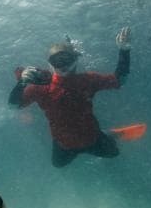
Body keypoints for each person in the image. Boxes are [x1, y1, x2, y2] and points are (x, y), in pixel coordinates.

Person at [9, 27, 131, 167]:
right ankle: (106, 135)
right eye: (57, 61)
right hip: (70, 144)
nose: (63, 66)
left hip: (88, 139)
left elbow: (119, 81)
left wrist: (125, 49)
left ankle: (106, 135)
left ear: (75, 60)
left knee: (114, 153)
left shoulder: (87, 80)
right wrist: (21, 83)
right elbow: (13, 105)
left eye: (66, 60)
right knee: (57, 165)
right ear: (50, 64)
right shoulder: (41, 87)